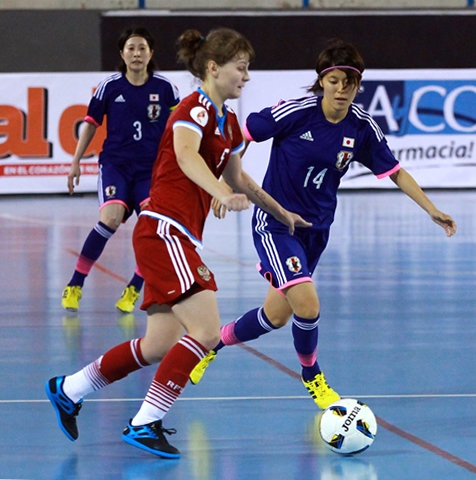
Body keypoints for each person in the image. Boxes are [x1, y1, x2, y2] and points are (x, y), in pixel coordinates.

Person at [46, 27, 310, 459]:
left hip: (176, 234)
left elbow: (239, 178)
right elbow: (186, 156)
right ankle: (145, 422)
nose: (246, 77)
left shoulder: (228, 122)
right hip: (164, 228)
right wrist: (222, 195)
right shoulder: (195, 108)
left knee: (158, 346)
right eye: (240, 68)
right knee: (206, 332)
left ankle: (69, 388)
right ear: (213, 67)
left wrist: (282, 214)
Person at [189, 40, 457, 410]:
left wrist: (431, 209)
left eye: (350, 82)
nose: (342, 89)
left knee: (276, 317)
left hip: (316, 231)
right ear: (322, 81)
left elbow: (393, 171)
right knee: (309, 305)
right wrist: (224, 183)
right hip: (276, 223)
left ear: (358, 85)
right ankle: (313, 376)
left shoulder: (362, 127)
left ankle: (213, 343)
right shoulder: (297, 112)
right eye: (334, 80)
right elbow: (243, 134)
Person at [61, 27, 180, 314]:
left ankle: (133, 289)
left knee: (154, 229)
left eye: (142, 48)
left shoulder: (166, 88)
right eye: (131, 48)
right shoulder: (109, 86)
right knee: (110, 220)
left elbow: (179, 129)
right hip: (115, 165)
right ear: (122, 54)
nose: (136, 54)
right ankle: (75, 284)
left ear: (150, 54)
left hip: (150, 171)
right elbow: (91, 123)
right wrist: (76, 161)